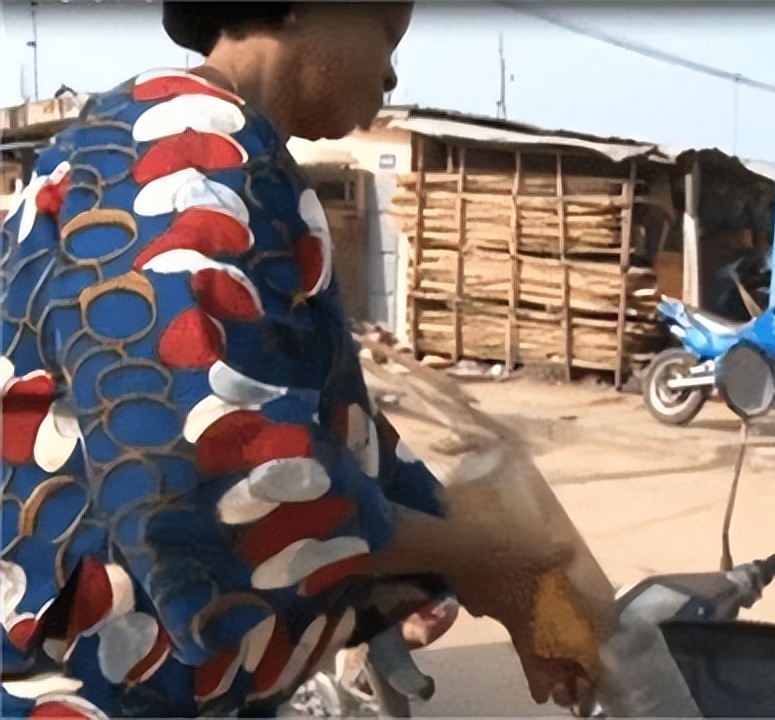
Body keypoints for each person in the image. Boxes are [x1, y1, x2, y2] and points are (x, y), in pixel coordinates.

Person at [0, 3, 590, 717]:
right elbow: (209, 463)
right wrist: (482, 557)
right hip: (97, 684)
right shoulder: (187, 156)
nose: (393, 72)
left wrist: (437, 564)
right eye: (388, 35)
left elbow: (307, 420)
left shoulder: (186, 140)